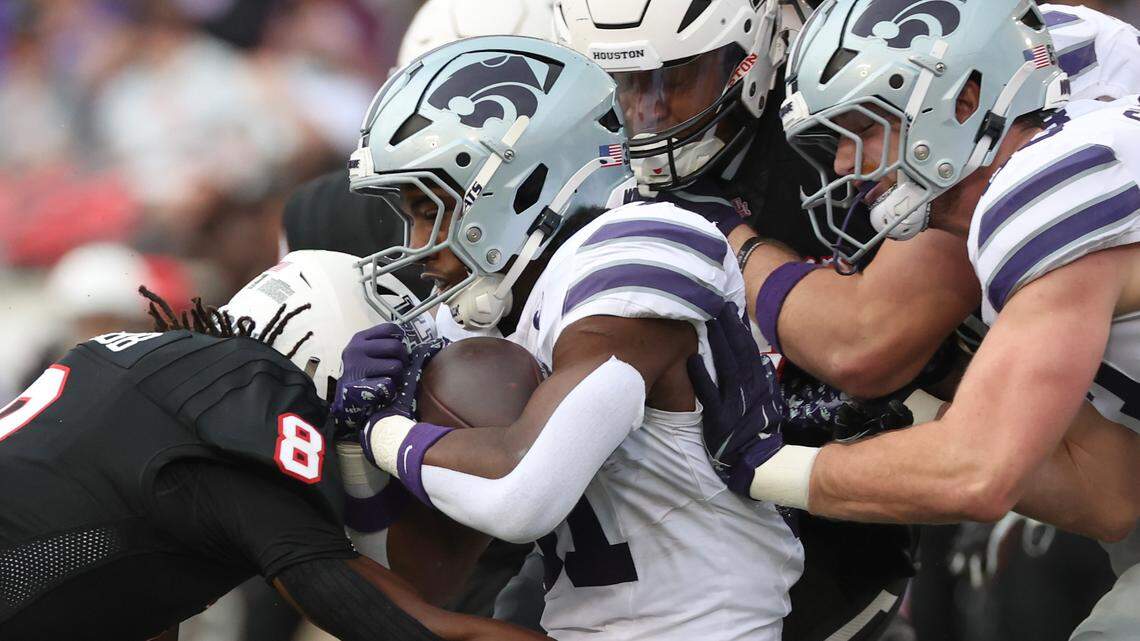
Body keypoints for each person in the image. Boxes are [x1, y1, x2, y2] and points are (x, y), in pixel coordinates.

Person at [699, 1, 1140, 640]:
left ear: (965, 101)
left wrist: (762, 468)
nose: (846, 165)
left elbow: (976, 472)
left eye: (863, 127)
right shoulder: (1074, 165)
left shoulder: (1037, 196)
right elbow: (1110, 490)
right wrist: (924, 402)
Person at [346, 35, 803, 640]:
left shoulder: (633, 251)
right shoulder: (515, 307)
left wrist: (382, 431)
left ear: (518, 187)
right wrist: (352, 447)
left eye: (431, 210)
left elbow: (522, 491)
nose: (417, 247)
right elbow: (420, 576)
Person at [0, 249, 548, 641]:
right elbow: (399, 625)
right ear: (326, 344)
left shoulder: (151, 373)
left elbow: (121, 585)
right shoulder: (240, 424)